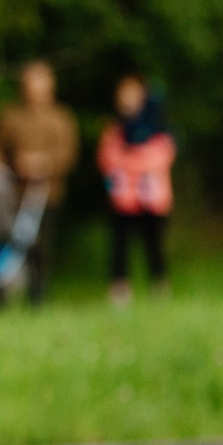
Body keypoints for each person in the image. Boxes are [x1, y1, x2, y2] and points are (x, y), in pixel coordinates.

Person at [0, 60, 78, 304]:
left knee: (40, 248)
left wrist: (42, 165)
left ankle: (38, 298)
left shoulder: (61, 118)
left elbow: (68, 155)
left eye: (40, 82)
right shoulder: (8, 116)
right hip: (10, 195)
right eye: (30, 82)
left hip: (47, 196)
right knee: (4, 245)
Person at [97, 73, 176, 303]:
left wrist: (129, 161)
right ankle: (120, 289)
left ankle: (159, 285)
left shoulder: (158, 126)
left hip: (153, 198)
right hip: (122, 199)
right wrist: (137, 161)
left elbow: (161, 157)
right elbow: (107, 159)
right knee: (120, 244)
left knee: (154, 243)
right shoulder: (114, 128)